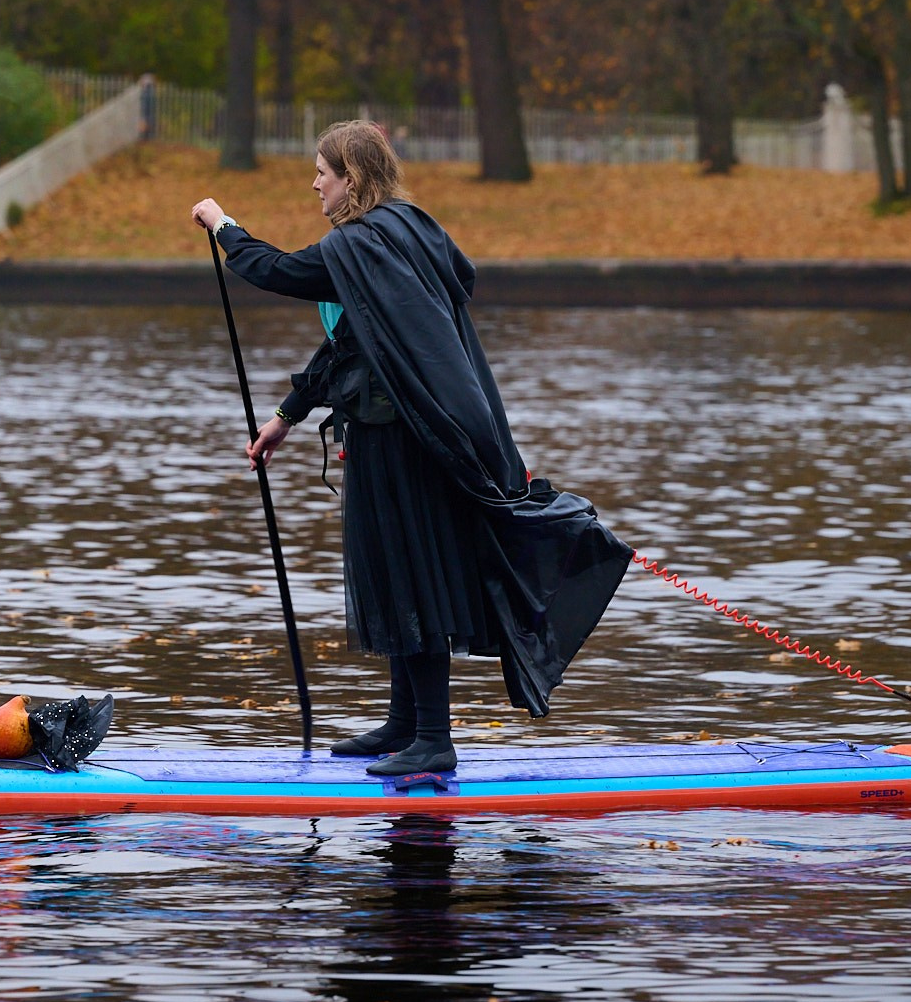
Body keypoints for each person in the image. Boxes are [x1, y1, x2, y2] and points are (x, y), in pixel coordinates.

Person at [190, 121, 631, 776]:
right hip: (402, 434)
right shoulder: (409, 232)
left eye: (322, 173)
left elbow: (279, 271)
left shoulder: (363, 244)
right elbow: (353, 343)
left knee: (410, 576)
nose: (314, 184)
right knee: (393, 572)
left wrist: (224, 225)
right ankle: (404, 723)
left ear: (352, 179)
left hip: (404, 440)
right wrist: (287, 415)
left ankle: (432, 737)